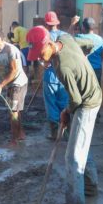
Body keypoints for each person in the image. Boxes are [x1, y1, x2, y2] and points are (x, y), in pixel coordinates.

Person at [26, 26, 102, 204]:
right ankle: (91, 188)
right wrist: (83, 60)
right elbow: (90, 43)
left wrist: (66, 112)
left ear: (50, 44)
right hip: (90, 94)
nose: (41, 60)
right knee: (80, 143)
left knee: (73, 157)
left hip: (87, 103)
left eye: (41, 54)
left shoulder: (63, 67)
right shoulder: (67, 39)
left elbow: (76, 100)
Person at [42, 11, 69, 139]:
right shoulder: (65, 36)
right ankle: (66, 133)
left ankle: (55, 134)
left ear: (46, 24)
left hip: (51, 76)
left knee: (51, 104)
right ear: (57, 22)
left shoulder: (45, 38)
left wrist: (43, 63)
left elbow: (41, 57)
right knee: (64, 104)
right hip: (65, 76)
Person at [69, 16, 103, 86]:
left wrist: (73, 24)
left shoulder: (79, 38)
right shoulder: (101, 39)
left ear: (83, 27)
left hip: (83, 70)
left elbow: (67, 38)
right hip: (97, 70)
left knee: (82, 92)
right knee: (95, 92)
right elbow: (102, 57)